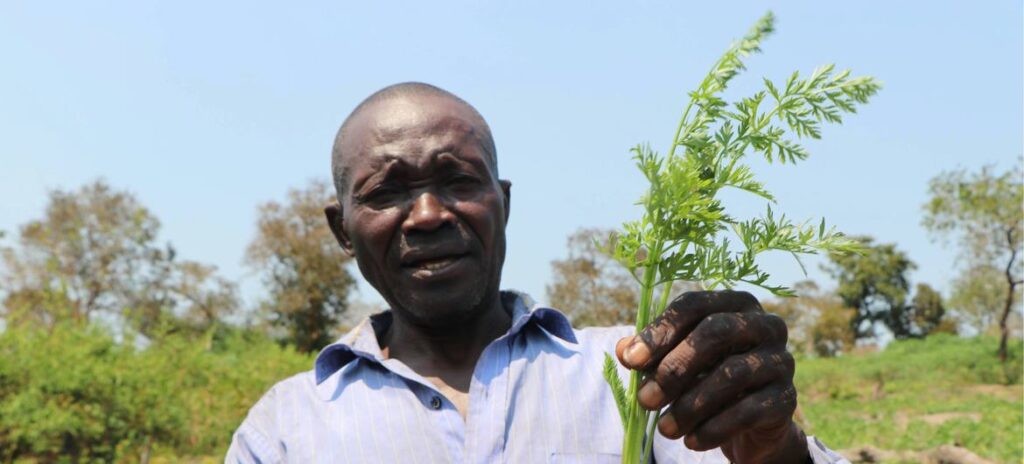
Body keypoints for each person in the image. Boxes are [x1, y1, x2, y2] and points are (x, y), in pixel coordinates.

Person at [226, 83, 848, 463]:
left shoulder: (635, 375)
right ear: (342, 229)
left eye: (458, 181)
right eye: (387, 191)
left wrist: (772, 454)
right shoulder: (285, 427)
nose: (428, 214)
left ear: (504, 203)